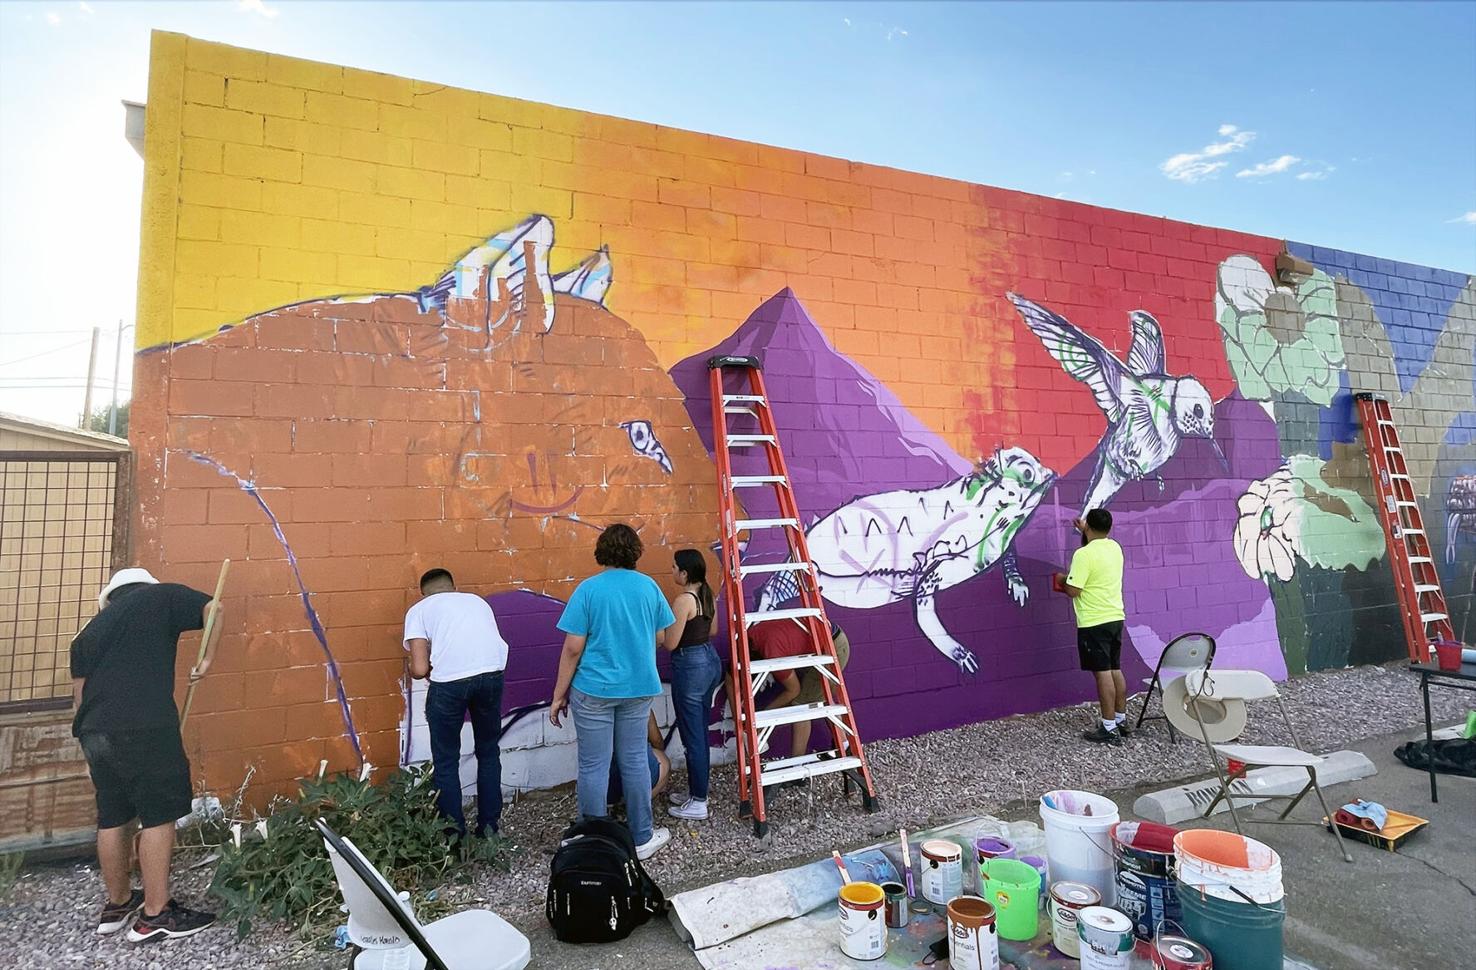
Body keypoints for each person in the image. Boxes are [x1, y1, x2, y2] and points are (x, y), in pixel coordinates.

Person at [70, 567, 221, 942]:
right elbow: (215, 608)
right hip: (144, 726)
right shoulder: (161, 596)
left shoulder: (88, 632)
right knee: (159, 815)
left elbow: (79, 699)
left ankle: (118, 903)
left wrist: (89, 748)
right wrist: (205, 662)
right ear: (144, 586)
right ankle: (156, 914)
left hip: (94, 730)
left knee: (113, 815)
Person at [549, 524, 676, 861]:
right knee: (634, 759)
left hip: (594, 689)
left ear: (601, 551)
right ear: (635, 551)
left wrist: (559, 694)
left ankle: (593, 840)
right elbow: (662, 637)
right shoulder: (649, 587)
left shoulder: (588, 590)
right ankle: (641, 837)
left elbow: (573, 648)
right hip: (638, 688)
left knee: (594, 765)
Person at [404, 567, 510, 837]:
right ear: (453, 586)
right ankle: (489, 829)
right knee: (488, 752)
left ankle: (453, 835)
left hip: (450, 684)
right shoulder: (477, 601)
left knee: (446, 760)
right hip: (492, 676)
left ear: (424, 594)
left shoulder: (420, 609)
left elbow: (418, 669)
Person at [659, 549, 724, 821]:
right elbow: (712, 631)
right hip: (709, 660)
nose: (671, 571)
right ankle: (696, 793)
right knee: (698, 730)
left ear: (684, 573)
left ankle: (699, 801)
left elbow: (671, 643)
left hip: (690, 665)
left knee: (693, 735)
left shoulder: (683, 600)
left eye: (674, 567)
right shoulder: (707, 594)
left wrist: (656, 631)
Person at [1062, 508, 1129, 745]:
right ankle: (1120, 720)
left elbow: (1074, 590)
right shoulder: (1115, 548)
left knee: (1102, 674)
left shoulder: (1083, 555)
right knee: (1114, 669)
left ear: (1088, 526)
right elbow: (1097, 542)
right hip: (1115, 616)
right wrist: (1086, 530)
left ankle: (1108, 726)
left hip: (1093, 620)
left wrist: (1062, 581)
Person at [747, 612, 852, 760]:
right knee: (820, 697)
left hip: (831, 648)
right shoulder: (753, 632)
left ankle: (798, 764)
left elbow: (793, 690)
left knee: (802, 705)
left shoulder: (771, 651)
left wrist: (763, 719)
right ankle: (844, 745)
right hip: (829, 640)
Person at [606, 711, 671, 809]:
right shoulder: (640, 699)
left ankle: (602, 805)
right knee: (664, 761)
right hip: (636, 772)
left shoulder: (591, 703)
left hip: (603, 779)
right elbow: (657, 741)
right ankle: (636, 806)